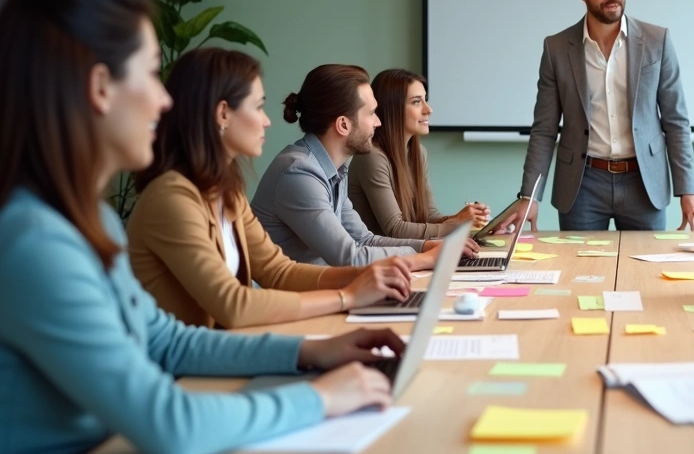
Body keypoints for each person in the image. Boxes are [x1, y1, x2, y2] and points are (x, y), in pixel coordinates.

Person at [0, 0, 405, 453]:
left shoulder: (91, 220)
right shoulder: (35, 244)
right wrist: (317, 398)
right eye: (151, 73)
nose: (164, 98)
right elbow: (169, 424)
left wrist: (310, 350)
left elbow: (168, 342)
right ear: (100, 87)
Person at [128, 48, 418, 329]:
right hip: (191, 369)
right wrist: (349, 295)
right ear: (223, 114)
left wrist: (366, 277)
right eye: (258, 107)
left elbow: (279, 271)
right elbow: (234, 306)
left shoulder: (225, 192)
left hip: (230, 346)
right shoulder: (172, 198)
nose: (267, 120)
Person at [497, 0, 694, 232]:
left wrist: (688, 191)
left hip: (644, 182)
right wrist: (529, 196)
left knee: (644, 273)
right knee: (581, 273)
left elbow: (676, 122)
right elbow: (544, 128)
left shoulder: (656, 41)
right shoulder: (557, 48)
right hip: (582, 184)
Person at [251, 63, 477, 267]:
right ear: (343, 125)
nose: (379, 122)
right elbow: (349, 257)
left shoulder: (333, 171)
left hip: (319, 293)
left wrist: (427, 246)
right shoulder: (300, 173)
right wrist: (426, 257)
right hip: (292, 304)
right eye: (371, 114)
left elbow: (365, 239)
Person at [349, 68, 490, 238]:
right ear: (392, 108)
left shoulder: (418, 153)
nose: (428, 109)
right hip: (380, 260)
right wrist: (456, 224)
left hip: (406, 256)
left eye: (425, 100)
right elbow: (395, 229)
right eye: (417, 102)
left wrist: (464, 218)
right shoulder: (372, 157)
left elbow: (428, 216)